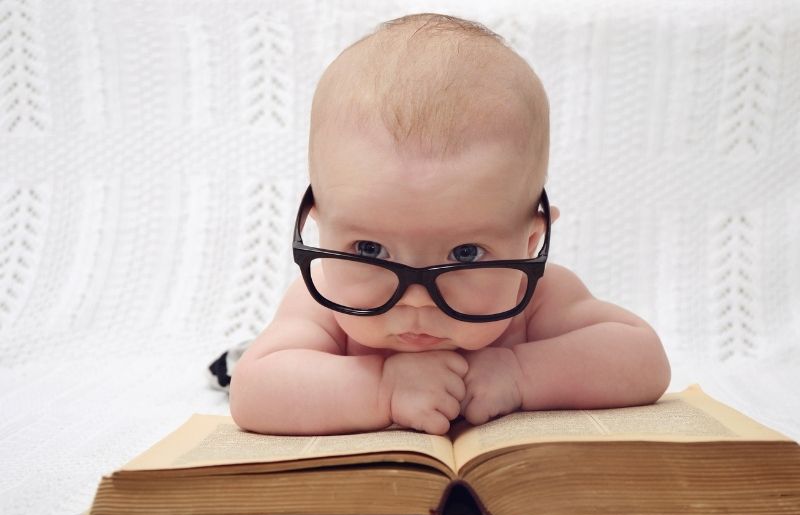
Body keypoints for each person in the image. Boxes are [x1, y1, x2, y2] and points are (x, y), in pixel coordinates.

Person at [227, 13, 671, 436]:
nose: (417, 301)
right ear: (318, 225)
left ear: (530, 241)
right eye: (368, 250)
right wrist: (382, 389)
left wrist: (521, 374)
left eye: (465, 254)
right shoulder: (319, 300)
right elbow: (253, 392)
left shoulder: (537, 296)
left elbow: (643, 358)